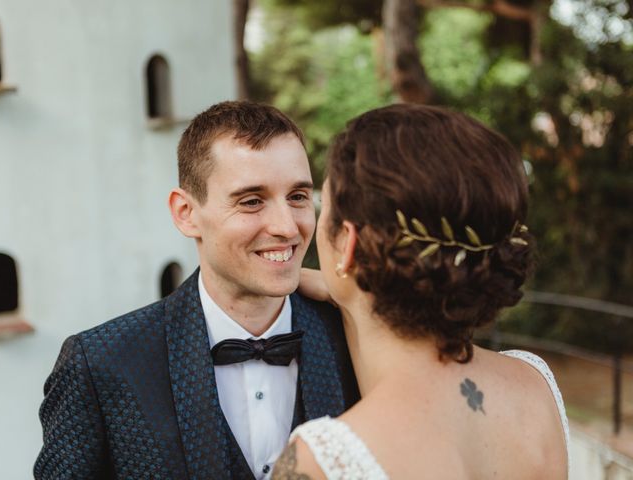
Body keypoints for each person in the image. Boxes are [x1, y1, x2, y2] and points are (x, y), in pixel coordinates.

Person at [34, 101, 359, 480]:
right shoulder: (99, 364)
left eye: (298, 197)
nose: (287, 227)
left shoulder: (357, 335)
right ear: (186, 213)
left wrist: (355, 297)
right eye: (252, 201)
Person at [273, 104, 569, 479]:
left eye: (323, 205)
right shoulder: (534, 385)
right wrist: (345, 290)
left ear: (347, 243)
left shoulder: (323, 460)